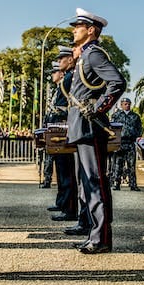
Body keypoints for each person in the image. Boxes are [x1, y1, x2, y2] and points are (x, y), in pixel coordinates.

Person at [66, 8, 126, 254]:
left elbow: (117, 82)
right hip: (82, 126)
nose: (73, 30)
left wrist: (100, 107)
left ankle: (100, 237)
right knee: (89, 182)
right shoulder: (84, 56)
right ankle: (96, 233)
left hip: (90, 126)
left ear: (91, 30)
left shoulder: (93, 55)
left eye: (78, 26)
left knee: (95, 182)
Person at [48, 47, 79, 222]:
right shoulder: (65, 79)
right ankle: (65, 204)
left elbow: (66, 108)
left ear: (69, 59)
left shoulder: (69, 78)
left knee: (67, 172)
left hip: (65, 129)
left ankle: (69, 208)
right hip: (61, 129)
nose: (59, 64)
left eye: (62, 59)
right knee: (62, 170)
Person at [110, 97, 142, 191]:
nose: (127, 105)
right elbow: (112, 129)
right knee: (117, 165)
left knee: (131, 165)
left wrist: (136, 137)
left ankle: (133, 184)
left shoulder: (135, 116)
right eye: (125, 104)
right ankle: (116, 183)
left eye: (128, 103)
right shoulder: (116, 115)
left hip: (130, 143)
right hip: (120, 143)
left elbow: (139, 129)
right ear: (121, 105)